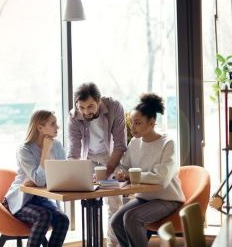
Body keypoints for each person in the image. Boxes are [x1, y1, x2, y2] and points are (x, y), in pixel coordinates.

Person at [110, 93, 185, 247]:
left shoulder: (167, 143)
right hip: (144, 197)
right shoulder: (134, 143)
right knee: (116, 221)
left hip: (167, 199)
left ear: (151, 122)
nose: (132, 127)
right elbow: (125, 166)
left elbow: (161, 178)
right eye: (131, 123)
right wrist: (119, 172)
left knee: (132, 218)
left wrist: (130, 176)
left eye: (137, 123)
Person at [67, 82, 127, 247]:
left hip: (111, 157)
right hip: (89, 159)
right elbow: (74, 152)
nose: (86, 111)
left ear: (99, 100)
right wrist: (75, 174)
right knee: (92, 203)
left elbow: (121, 144)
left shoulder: (114, 107)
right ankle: (95, 243)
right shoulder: (74, 117)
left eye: (91, 106)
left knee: (115, 203)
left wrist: (107, 172)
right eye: (82, 107)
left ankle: (113, 244)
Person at [3, 110, 69, 247]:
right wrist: (45, 152)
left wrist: (37, 181)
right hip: (20, 201)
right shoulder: (24, 150)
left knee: (63, 219)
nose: (58, 127)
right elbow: (40, 180)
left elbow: (62, 175)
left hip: (41, 199)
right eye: (53, 124)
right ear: (40, 127)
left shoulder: (57, 145)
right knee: (44, 216)